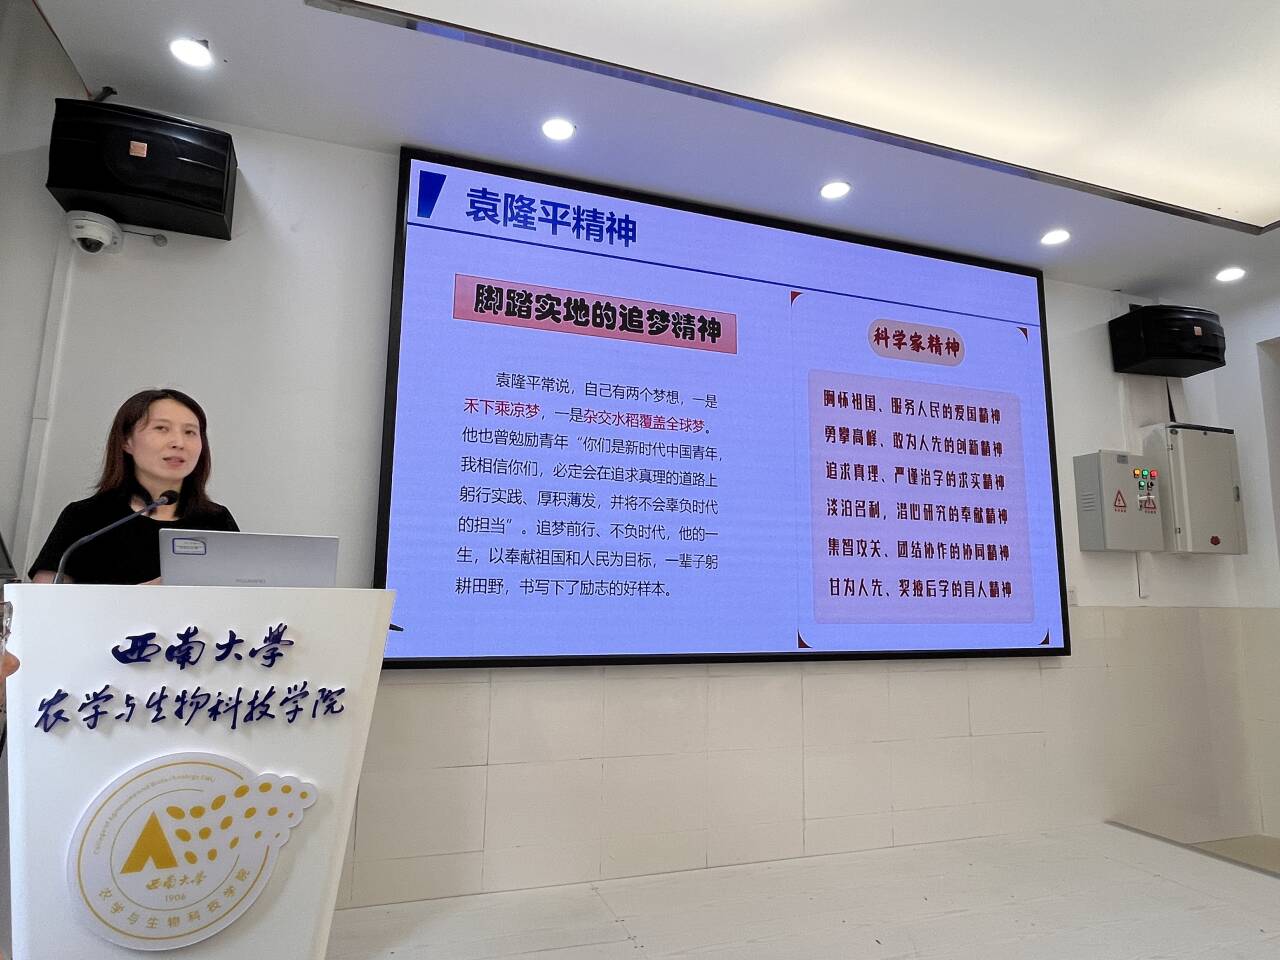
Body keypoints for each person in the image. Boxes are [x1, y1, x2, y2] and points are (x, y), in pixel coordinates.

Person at [28, 389, 238, 584]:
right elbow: (42, 603)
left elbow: (244, 597)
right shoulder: (86, 518)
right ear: (126, 441)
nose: (179, 443)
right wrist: (138, 597)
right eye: (162, 429)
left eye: (190, 432)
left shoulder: (216, 520)